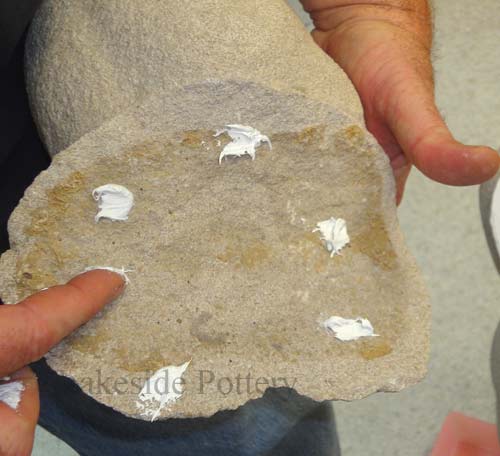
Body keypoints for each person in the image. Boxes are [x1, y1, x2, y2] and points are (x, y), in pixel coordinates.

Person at [1, 1, 498, 455]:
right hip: (55, 277)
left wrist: (371, 11)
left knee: (257, 412)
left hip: (77, 135)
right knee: (177, 407)